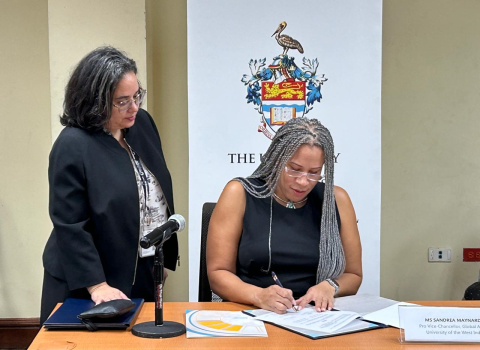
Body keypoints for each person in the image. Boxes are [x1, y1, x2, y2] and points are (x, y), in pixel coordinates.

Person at [40, 46, 178, 324]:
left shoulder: (142, 124)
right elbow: (70, 224)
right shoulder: (72, 145)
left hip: (140, 269)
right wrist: (97, 285)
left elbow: (151, 193)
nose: (135, 107)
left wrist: (157, 256)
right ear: (95, 100)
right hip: (87, 282)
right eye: (122, 101)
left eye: (137, 95)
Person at [207, 117, 362, 314]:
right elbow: (218, 274)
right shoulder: (239, 194)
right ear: (277, 159)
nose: (304, 181)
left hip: (315, 319)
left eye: (314, 172)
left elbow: (353, 274)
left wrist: (330, 286)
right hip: (252, 314)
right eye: (295, 169)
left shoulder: (337, 200)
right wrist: (258, 296)